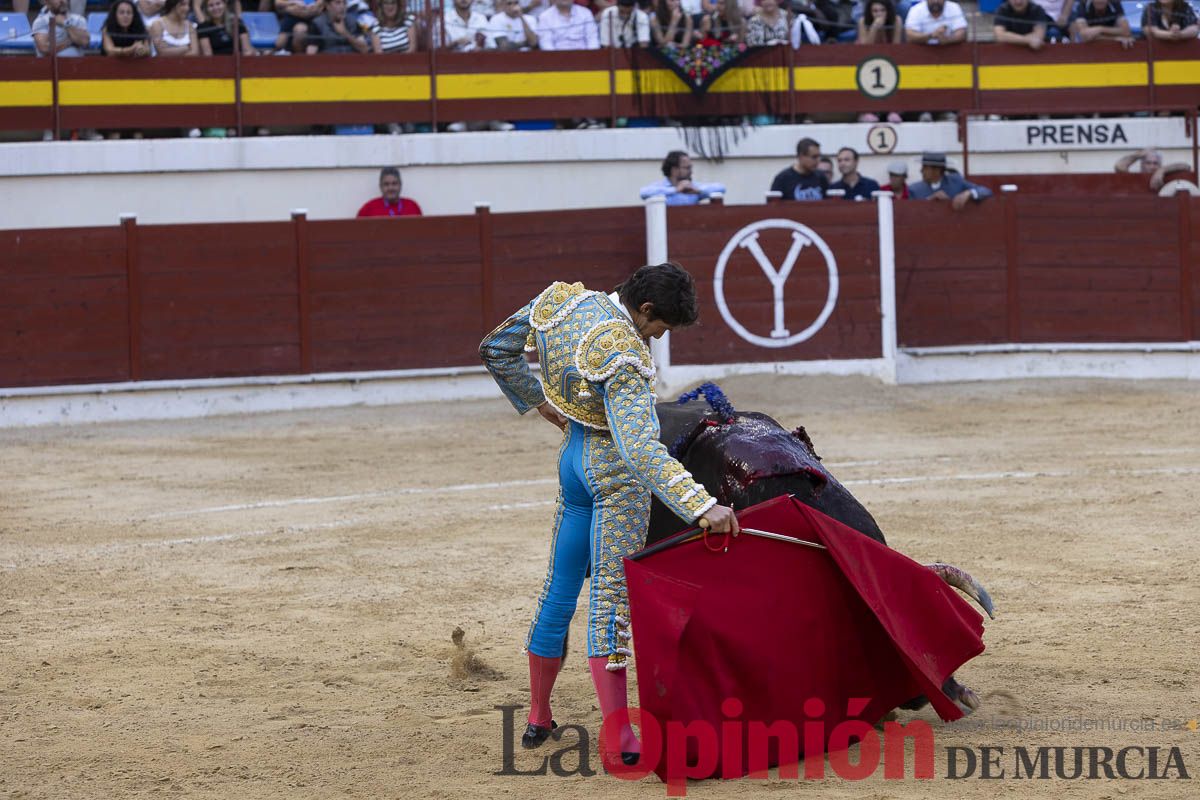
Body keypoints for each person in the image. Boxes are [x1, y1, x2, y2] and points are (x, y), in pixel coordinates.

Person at [478, 263, 739, 766]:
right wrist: (701, 505)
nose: (659, 337)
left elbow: (496, 348)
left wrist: (536, 400)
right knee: (610, 602)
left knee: (558, 588)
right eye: (661, 326)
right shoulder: (624, 353)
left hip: (571, 463)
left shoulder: (562, 301)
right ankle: (620, 740)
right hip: (613, 477)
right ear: (645, 309)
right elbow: (640, 450)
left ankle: (537, 716)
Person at [908, 151, 992, 209]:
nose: (921, 171)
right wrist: (928, 202)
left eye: (925, 168)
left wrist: (968, 193)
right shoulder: (914, 190)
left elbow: (985, 191)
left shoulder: (956, 182)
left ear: (937, 170)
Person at [639, 150, 726, 205]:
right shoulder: (661, 187)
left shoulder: (692, 187)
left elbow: (721, 188)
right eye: (687, 168)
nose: (691, 171)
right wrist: (675, 190)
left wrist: (699, 191)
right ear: (674, 170)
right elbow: (644, 192)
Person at [1115, 148, 1193, 192]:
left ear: (1160, 165)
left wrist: (1162, 170)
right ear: (1142, 165)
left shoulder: (1165, 175)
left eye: (1155, 163)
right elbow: (1119, 166)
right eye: (1148, 163)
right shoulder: (1135, 178)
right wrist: (1139, 155)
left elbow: (1186, 167)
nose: (1152, 166)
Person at [356, 167, 424, 217]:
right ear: (380, 186)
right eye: (386, 184)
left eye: (394, 183)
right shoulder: (368, 209)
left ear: (400, 185)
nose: (390, 188)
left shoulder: (413, 206)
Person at [307, 0, 371, 51]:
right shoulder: (317, 23)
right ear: (327, 5)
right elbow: (310, 54)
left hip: (351, 63)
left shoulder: (353, 22)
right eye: (338, 3)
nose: (342, 6)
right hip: (328, 64)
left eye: (344, 3)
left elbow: (364, 49)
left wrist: (345, 34)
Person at [536, 0, 601, 50]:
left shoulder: (585, 13)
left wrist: (590, 56)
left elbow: (592, 39)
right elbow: (546, 43)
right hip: (556, 59)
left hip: (584, 56)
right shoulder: (545, 16)